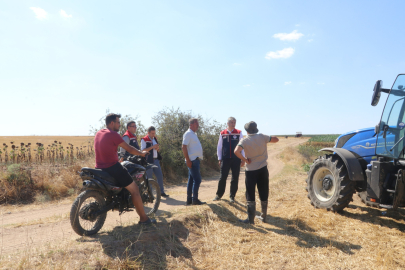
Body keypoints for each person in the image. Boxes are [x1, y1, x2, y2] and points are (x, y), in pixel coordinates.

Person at [94, 113, 156, 225]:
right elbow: (129, 148)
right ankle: (144, 219)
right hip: (112, 167)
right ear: (112, 123)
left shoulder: (99, 133)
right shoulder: (113, 134)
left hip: (99, 167)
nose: (119, 124)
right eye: (118, 122)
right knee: (135, 190)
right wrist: (141, 153)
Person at [234, 121, 279, 224]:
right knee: (263, 192)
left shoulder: (244, 140)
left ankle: (250, 219)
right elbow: (276, 139)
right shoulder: (262, 137)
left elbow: (236, 151)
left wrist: (245, 160)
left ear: (247, 130)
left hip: (251, 170)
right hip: (263, 169)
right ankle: (263, 217)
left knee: (250, 193)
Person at [213, 117, 245, 203]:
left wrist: (243, 159)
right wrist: (219, 158)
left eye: (234, 122)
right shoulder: (222, 133)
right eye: (231, 122)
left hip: (236, 159)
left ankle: (232, 196)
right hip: (225, 159)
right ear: (227, 123)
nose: (233, 124)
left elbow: (242, 147)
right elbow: (219, 147)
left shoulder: (239, 133)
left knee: (235, 178)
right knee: (222, 177)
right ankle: (219, 195)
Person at [182, 118, 206, 205]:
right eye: (196, 124)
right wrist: (188, 160)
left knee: (191, 180)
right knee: (197, 179)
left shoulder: (193, 134)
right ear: (191, 125)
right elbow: (184, 147)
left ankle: (189, 199)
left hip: (195, 160)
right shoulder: (188, 133)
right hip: (192, 160)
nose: (198, 125)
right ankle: (195, 199)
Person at [141, 126, 169, 198]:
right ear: (148, 133)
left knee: (160, 176)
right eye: (152, 133)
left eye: (154, 133)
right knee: (149, 178)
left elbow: (157, 150)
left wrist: (157, 148)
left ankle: (161, 192)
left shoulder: (155, 138)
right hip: (148, 161)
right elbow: (142, 150)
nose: (153, 135)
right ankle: (149, 194)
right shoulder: (144, 139)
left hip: (156, 160)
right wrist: (153, 147)